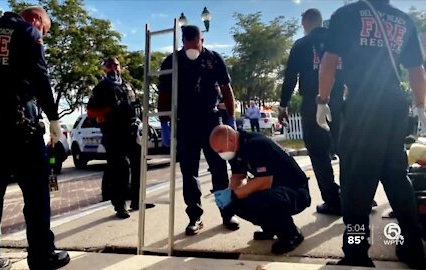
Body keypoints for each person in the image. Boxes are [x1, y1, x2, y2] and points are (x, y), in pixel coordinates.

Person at [0, 6, 70, 269]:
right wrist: (53, 118)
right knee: (36, 191)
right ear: (37, 20)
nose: (43, 34)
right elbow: (41, 78)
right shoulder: (28, 32)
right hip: (20, 122)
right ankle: (42, 254)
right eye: (46, 30)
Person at [317, 0, 426, 267]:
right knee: (396, 176)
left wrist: (322, 100)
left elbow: (329, 61)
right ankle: (413, 247)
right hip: (394, 105)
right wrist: (421, 105)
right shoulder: (403, 20)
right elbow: (416, 70)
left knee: (356, 184)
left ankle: (356, 253)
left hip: (363, 104)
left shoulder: (345, 14)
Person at [158, 25, 240, 235]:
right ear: (183, 42)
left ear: (201, 41)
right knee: (189, 172)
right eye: (188, 44)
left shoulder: (213, 58)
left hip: (211, 120)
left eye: (196, 44)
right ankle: (195, 217)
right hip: (185, 122)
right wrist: (165, 123)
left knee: (219, 169)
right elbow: (164, 94)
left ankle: (227, 212)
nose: (192, 48)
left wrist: (231, 118)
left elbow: (226, 88)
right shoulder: (172, 61)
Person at [278, 8, 343, 215]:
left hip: (313, 102)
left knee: (318, 152)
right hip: (339, 101)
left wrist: (283, 105)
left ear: (307, 22)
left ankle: (333, 199)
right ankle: (356, 196)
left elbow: (290, 77)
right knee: (347, 150)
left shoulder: (301, 44)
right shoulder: (338, 40)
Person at [210, 125, 311, 254]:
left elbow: (264, 182)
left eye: (220, 150)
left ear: (230, 140)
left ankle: (291, 235)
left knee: (263, 199)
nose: (221, 154)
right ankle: (271, 228)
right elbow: (238, 176)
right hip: (276, 188)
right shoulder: (236, 149)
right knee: (238, 202)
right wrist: (229, 194)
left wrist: (234, 194)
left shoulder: (256, 145)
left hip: (295, 190)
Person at [87, 57, 155, 219]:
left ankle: (137, 201)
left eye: (116, 65)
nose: (114, 69)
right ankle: (120, 206)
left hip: (131, 132)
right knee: (120, 169)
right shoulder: (101, 88)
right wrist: (109, 110)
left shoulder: (127, 85)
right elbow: (91, 112)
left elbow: (136, 106)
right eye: (110, 66)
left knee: (139, 164)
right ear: (104, 69)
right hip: (113, 134)